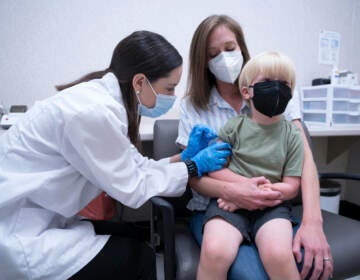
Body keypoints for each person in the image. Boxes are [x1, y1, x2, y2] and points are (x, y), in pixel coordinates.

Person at [0, 30, 232, 280]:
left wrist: (185, 157)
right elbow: (132, 188)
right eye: (169, 88)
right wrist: (193, 167)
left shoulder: (104, 102)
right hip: (21, 235)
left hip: (43, 216)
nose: (172, 97)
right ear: (140, 82)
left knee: (137, 236)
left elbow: (136, 166)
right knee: (140, 260)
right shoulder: (94, 112)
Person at [177, 15, 333, 279]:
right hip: (220, 205)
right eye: (213, 54)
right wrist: (238, 191)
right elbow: (194, 172)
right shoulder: (195, 108)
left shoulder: (279, 94)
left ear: (242, 47)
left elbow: (304, 162)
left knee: (281, 258)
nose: (223, 58)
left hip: (273, 205)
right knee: (233, 263)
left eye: (229, 49)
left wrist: (313, 221)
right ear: (202, 61)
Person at [198, 51, 303, 280]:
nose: (276, 88)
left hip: (273, 206)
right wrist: (243, 190)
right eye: (266, 82)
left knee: (278, 255)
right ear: (246, 92)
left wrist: (259, 195)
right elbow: (215, 169)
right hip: (229, 201)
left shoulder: (293, 135)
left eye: (284, 83)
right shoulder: (232, 128)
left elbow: (291, 187)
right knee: (215, 251)